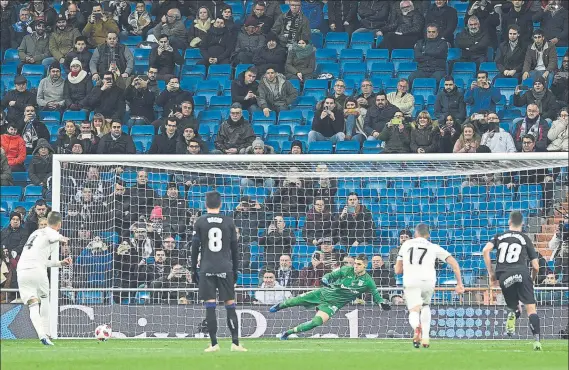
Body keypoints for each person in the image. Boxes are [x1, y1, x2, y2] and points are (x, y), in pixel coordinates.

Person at [269, 254, 391, 339]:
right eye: (354, 263)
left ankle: (288, 333)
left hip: (334, 304)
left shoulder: (368, 281)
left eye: (358, 264)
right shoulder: (346, 269)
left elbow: (377, 296)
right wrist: (325, 279)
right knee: (295, 301)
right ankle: (279, 306)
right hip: (323, 293)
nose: (355, 266)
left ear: (365, 265)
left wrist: (382, 303)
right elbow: (329, 276)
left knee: (316, 322)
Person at [191, 191, 246, 352]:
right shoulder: (228, 222)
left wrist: (193, 268)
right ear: (220, 204)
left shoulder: (200, 221)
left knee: (210, 305)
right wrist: (235, 269)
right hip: (225, 268)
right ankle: (235, 343)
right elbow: (235, 249)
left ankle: (214, 344)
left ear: (206, 204)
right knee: (230, 305)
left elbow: (194, 248)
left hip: (207, 268)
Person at [394, 223, 464, 348]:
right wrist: (459, 283)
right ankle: (425, 338)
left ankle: (416, 327)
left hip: (411, 280)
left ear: (415, 233)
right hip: (428, 280)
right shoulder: (433, 247)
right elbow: (454, 263)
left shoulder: (406, 244)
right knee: (425, 306)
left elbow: (398, 270)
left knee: (414, 310)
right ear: (428, 235)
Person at [482, 211, 542, 350]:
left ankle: (513, 314)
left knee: (515, 306)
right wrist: (531, 280)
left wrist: (492, 274)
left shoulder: (500, 236)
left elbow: (485, 250)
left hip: (504, 275)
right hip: (522, 273)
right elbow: (536, 266)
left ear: (509, 222)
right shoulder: (525, 238)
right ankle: (537, 342)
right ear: (523, 223)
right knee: (531, 309)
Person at [17, 211, 72, 346]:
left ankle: (42, 335)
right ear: (59, 224)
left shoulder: (35, 234)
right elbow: (52, 235)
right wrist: (62, 238)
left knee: (33, 304)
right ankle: (47, 332)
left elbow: (43, 260)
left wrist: (60, 263)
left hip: (22, 270)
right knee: (45, 298)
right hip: (37, 270)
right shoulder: (51, 233)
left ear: (47, 221)